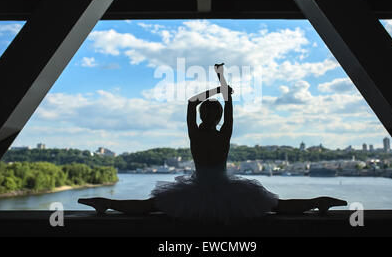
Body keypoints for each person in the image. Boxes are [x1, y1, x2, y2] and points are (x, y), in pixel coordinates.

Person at [78, 64, 347, 223]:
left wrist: (216, 89)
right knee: (277, 206)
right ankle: (319, 201)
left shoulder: (196, 134)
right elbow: (229, 103)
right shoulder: (223, 134)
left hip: (196, 188)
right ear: (218, 117)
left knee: (149, 207)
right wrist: (221, 81)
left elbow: (192, 102)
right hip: (225, 187)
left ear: (203, 115)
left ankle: (105, 203)